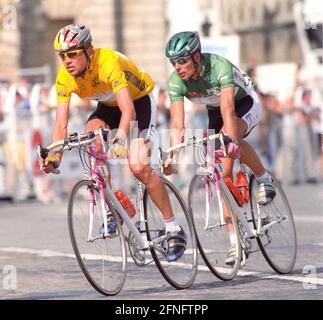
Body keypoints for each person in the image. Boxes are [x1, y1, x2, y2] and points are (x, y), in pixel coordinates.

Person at [40, 24, 186, 261]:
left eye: (73, 53)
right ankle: (113, 208)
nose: (67, 61)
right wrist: (54, 156)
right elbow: (60, 125)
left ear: (89, 50)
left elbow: (128, 109)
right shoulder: (65, 77)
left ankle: (173, 228)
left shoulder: (107, 62)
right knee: (90, 137)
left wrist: (120, 137)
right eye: (63, 56)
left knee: (138, 166)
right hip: (107, 107)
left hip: (138, 102)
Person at [163, 31, 276, 265]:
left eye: (182, 60)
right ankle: (236, 243)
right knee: (222, 177)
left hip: (243, 103)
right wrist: (172, 155)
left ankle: (264, 178)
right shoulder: (176, 81)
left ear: (197, 56)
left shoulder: (218, 66)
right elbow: (177, 124)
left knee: (231, 138)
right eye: (173, 62)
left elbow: (228, 111)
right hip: (214, 111)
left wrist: (231, 142)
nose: (178, 67)